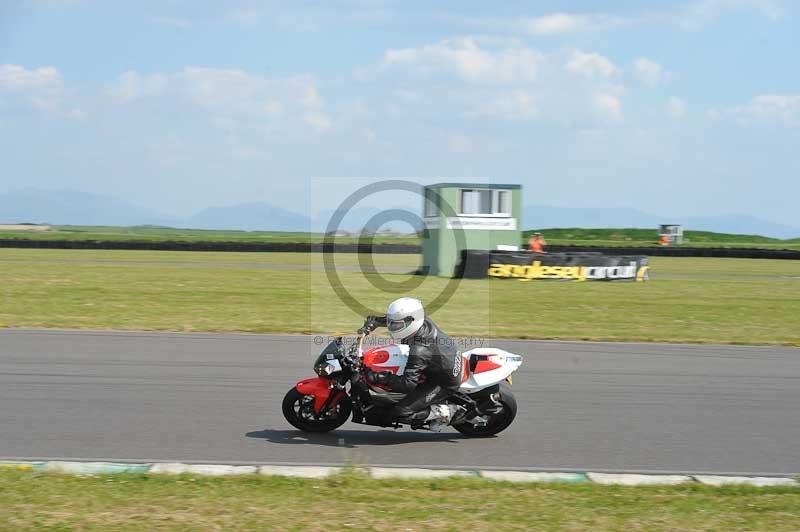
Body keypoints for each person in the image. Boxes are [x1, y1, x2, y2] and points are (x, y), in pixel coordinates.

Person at [360, 297, 463, 429]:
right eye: (392, 323)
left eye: (396, 325)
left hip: (444, 381)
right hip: (443, 360)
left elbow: (408, 384)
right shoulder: (421, 320)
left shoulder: (419, 350)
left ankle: (447, 412)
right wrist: (376, 321)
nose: (392, 327)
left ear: (411, 322)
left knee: (402, 411)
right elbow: (398, 318)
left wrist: (380, 377)